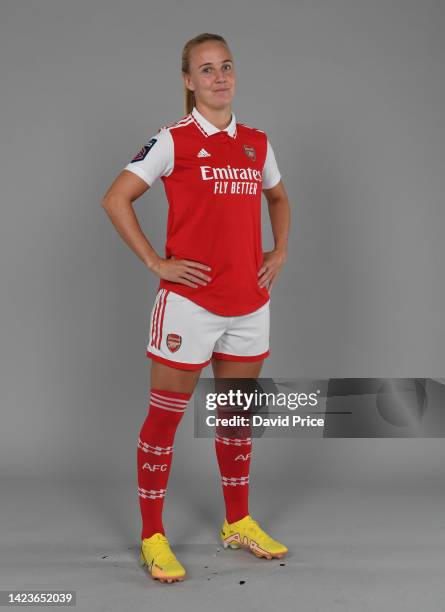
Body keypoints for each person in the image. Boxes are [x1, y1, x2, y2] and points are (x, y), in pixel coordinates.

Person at [101, 32, 291, 584]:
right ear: (188, 81)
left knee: (234, 419)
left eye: (226, 66)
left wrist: (279, 250)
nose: (219, 77)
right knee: (164, 421)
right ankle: (153, 536)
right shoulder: (173, 140)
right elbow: (116, 198)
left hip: (249, 304)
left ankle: (238, 522)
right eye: (206, 70)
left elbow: (277, 196)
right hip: (189, 305)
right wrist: (156, 264)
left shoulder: (256, 141)